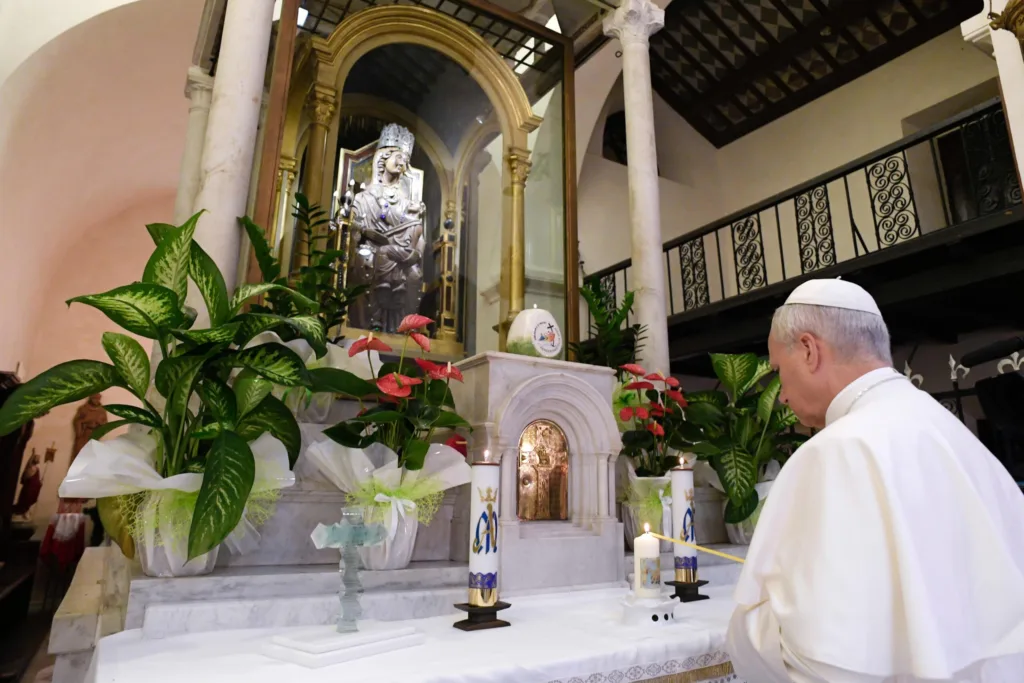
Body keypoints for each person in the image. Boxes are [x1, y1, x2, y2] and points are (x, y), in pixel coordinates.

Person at [726, 278, 1024, 683]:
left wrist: (747, 629)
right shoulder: (953, 433)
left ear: (809, 350)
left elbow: (813, 654)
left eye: (778, 371)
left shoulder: (836, 450)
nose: (780, 395)